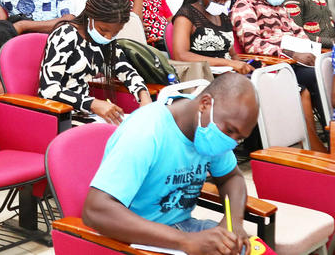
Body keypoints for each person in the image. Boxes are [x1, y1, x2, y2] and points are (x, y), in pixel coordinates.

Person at [82, 73, 258, 255]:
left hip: (180, 230)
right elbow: (95, 210)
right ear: (205, 104)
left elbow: (231, 176)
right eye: (230, 131)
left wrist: (233, 223)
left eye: (239, 138)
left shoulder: (211, 126)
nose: (231, 142)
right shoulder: (146, 131)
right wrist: (185, 242)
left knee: (248, 250)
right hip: (132, 238)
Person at [231, 0, 327, 151]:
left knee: (328, 70)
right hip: (271, 65)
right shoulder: (245, 5)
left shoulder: (277, 4)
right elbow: (252, 44)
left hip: (293, 61)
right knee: (317, 77)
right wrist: (291, 54)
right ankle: (324, 137)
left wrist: (308, 49)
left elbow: (297, 31)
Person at [39, 0, 152, 123]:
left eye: (115, 33)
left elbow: (125, 69)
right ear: (90, 18)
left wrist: (143, 95)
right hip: (62, 117)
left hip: (87, 114)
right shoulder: (65, 36)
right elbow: (48, 90)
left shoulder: (105, 42)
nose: (108, 37)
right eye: (103, 30)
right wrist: (93, 103)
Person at [171, 0, 253, 74]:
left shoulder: (223, 16)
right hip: (202, 76)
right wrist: (227, 63)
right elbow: (181, 55)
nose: (223, 3)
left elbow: (232, 55)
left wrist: (244, 67)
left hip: (229, 74)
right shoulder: (186, 16)